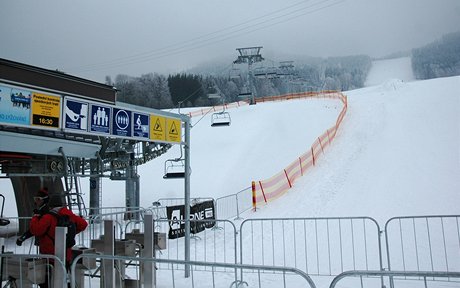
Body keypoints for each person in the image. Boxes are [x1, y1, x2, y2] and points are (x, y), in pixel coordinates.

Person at [28, 188, 88, 287]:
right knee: (64, 280)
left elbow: (35, 230)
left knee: (48, 282)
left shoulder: (48, 217)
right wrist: (70, 233)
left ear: (50, 205)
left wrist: (35, 216)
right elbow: (83, 224)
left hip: (49, 256)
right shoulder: (69, 215)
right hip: (66, 255)